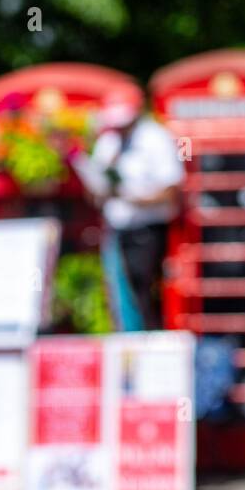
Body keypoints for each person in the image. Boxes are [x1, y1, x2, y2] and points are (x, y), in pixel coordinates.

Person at [83, 102, 185, 332]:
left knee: (145, 290)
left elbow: (171, 191)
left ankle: (151, 342)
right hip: (116, 229)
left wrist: (131, 197)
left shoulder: (155, 138)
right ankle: (129, 342)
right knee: (119, 293)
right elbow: (94, 190)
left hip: (149, 229)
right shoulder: (108, 142)